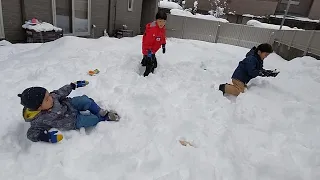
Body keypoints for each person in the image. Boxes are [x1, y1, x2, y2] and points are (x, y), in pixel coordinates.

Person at [18, 80, 120, 143]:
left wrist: (73, 85)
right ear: (39, 107)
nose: (51, 97)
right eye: (47, 99)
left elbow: (60, 92)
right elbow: (31, 134)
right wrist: (46, 137)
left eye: (48, 94)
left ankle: (100, 111)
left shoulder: (52, 97)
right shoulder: (38, 120)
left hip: (69, 105)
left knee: (84, 100)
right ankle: (102, 118)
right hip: (72, 121)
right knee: (91, 120)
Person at [141, 10, 167, 77]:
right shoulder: (152, 30)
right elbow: (147, 42)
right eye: (160, 21)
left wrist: (163, 45)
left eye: (164, 21)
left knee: (151, 62)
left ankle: (143, 62)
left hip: (153, 50)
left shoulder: (162, 28)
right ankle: (146, 76)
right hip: (148, 49)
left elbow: (163, 37)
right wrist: (149, 52)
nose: (162, 23)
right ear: (156, 20)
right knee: (151, 64)